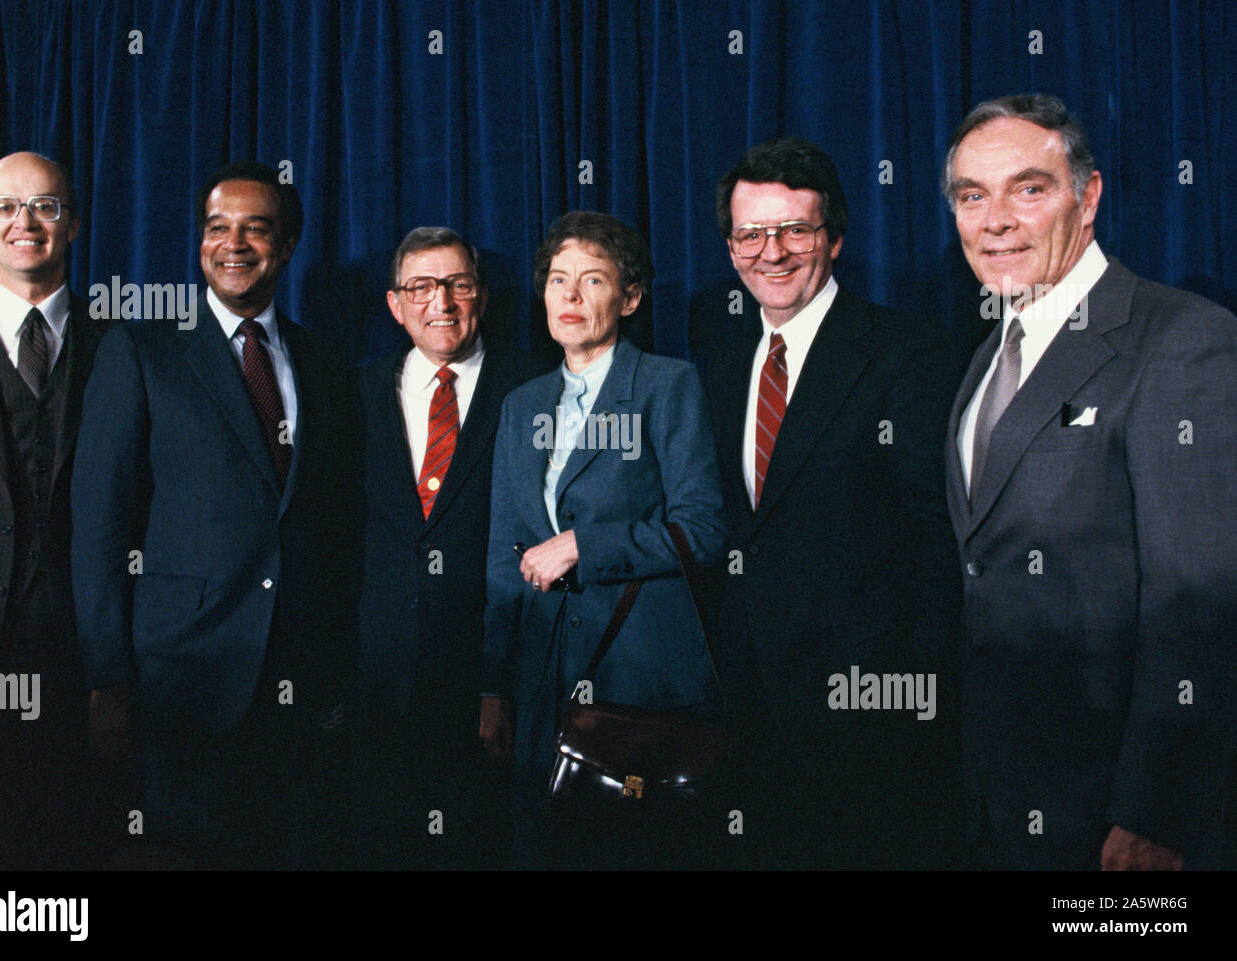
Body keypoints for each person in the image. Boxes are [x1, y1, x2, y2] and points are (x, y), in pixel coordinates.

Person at [942, 93, 1237, 870]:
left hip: (1115, 819)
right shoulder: (983, 357)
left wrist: (1156, 813)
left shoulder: (1182, 339)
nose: (996, 219)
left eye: (1028, 188)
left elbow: (1201, 605)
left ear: (1089, 195)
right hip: (997, 800)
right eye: (973, 196)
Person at [70, 160, 360, 869]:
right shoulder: (140, 351)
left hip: (297, 685)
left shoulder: (324, 363)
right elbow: (100, 524)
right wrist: (106, 678)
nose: (233, 243)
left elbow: (337, 526)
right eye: (216, 227)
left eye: (255, 228)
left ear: (287, 246)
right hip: (182, 683)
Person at [703, 137, 964, 869]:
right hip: (749, 714)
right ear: (730, 249)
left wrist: (916, 697)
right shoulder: (720, 364)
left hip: (870, 720)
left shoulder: (907, 351)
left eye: (796, 230)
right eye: (752, 234)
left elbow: (935, 538)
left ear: (836, 238)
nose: (773, 252)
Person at [480, 211, 726, 868]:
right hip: (541, 670)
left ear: (631, 297)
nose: (570, 296)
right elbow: (504, 554)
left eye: (593, 280)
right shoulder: (521, 403)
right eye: (559, 280)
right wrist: (492, 686)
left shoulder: (667, 384)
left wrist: (584, 544)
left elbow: (702, 531)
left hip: (636, 671)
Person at [0, 151, 120, 869]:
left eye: (45, 206)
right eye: (5, 208)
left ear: (73, 223)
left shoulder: (127, 346)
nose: (26, 222)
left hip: (90, 666)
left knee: (86, 854)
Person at [353, 226, 543, 868]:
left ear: (482, 297)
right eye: (421, 287)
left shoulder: (536, 386)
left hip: (494, 677)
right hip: (376, 684)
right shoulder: (354, 392)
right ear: (395, 304)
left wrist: (503, 681)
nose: (442, 302)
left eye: (458, 285)